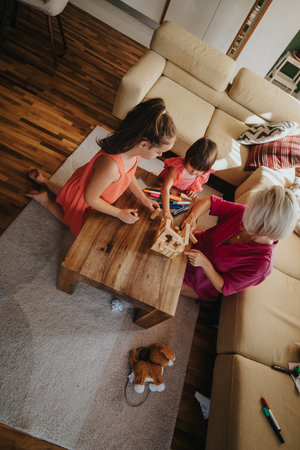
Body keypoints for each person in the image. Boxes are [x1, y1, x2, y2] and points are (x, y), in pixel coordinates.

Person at [25, 98, 176, 235]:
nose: (159, 156)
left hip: (89, 188)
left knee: (67, 195)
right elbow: (90, 199)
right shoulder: (111, 165)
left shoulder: (132, 150)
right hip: (85, 197)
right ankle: (45, 200)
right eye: (159, 152)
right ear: (144, 144)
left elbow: (128, 176)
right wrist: (118, 213)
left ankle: (44, 181)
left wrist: (143, 199)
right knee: (73, 223)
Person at [180, 186, 298, 303]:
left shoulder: (261, 265)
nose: (247, 219)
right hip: (191, 244)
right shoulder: (247, 212)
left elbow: (224, 287)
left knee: (162, 281)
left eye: (254, 221)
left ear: (270, 229)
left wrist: (205, 264)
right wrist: (192, 218)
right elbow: (210, 201)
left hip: (198, 281)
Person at [159, 138, 217, 220]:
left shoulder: (203, 173)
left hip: (177, 194)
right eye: (192, 166)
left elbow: (192, 185)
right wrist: (167, 212)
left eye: (200, 170)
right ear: (188, 157)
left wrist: (191, 191)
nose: (194, 172)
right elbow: (165, 188)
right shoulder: (177, 167)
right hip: (161, 187)